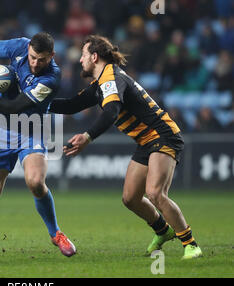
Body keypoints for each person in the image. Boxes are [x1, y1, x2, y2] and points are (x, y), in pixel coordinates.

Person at [49, 35, 202, 260]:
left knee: (155, 193)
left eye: (83, 55)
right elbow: (72, 105)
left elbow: (111, 112)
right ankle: (163, 231)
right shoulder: (100, 84)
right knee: (130, 198)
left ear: (94, 56)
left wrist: (87, 137)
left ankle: (190, 244)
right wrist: (36, 103)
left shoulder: (111, 77)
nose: (80, 60)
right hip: (145, 140)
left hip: (163, 135)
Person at [0, 32, 76, 258]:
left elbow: (15, 107)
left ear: (51, 56)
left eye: (41, 59)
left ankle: (56, 234)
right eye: (32, 57)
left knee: (35, 182)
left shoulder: (52, 77)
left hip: (32, 130)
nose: (35, 63)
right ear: (28, 48)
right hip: (2, 130)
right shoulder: (19, 46)